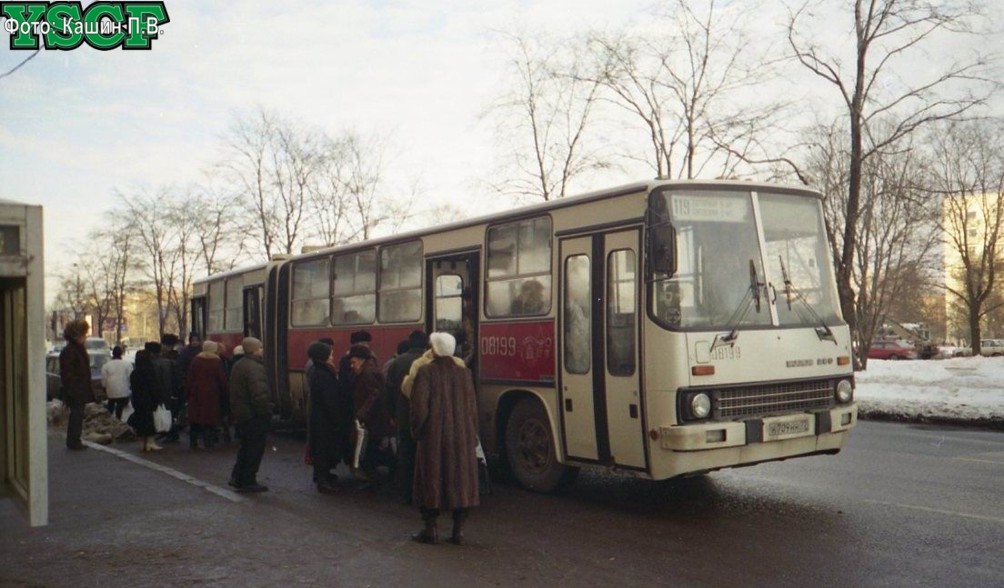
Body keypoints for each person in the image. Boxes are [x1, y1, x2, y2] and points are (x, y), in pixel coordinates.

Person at [409, 332, 479, 545]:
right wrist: (472, 434)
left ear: (434, 349)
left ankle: (430, 530)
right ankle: (458, 531)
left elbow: (419, 408)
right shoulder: (464, 374)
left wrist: (417, 431)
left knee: (431, 482)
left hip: (434, 437)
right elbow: (472, 408)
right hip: (462, 437)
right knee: (461, 482)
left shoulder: (425, 372)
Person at [385, 329, 428, 504]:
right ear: (426, 344)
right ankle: (423, 493)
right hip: (425, 418)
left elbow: (388, 391)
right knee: (424, 456)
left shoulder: (398, 362)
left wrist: (392, 414)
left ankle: (405, 494)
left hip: (403, 417)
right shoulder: (429, 363)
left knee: (406, 455)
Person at [228, 337, 272, 493]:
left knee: (245, 447)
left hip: (242, 414)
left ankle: (237, 477)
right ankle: (248, 480)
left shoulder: (239, 365)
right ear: (254, 350)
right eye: (260, 347)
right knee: (254, 449)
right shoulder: (254, 367)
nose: (262, 350)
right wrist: (265, 412)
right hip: (253, 416)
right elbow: (259, 395)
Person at [346, 344, 395, 484]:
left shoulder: (368, 374)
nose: (352, 366)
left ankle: (375, 476)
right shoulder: (368, 371)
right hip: (374, 419)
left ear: (361, 360)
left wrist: (361, 414)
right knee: (372, 448)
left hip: (372, 419)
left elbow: (374, 395)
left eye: (353, 362)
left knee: (371, 448)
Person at [307, 340, 342, 493]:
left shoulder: (318, 370)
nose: (332, 357)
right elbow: (329, 399)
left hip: (319, 416)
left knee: (322, 447)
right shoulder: (322, 374)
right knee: (323, 448)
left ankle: (323, 475)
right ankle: (322, 479)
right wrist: (336, 418)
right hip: (324, 419)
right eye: (330, 354)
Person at [185, 340, 228, 449]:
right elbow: (221, 379)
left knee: (195, 418)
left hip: (196, 393)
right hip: (212, 394)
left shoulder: (196, 360)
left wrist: (187, 392)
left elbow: (190, 377)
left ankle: (193, 441)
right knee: (210, 419)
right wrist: (224, 392)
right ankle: (209, 441)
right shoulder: (216, 361)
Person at [59, 319, 95, 450]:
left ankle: (74, 439)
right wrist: (74, 389)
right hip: (76, 390)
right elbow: (68, 374)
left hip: (78, 389)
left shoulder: (75, 349)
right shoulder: (72, 351)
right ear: (76, 334)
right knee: (76, 415)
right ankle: (74, 441)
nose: (85, 337)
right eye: (83, 334)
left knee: (78, 415)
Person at [128, 349, 162, 452]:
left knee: (140, 421)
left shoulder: (134, 373)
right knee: (149, 421)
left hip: (138, 401)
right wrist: (157, 399)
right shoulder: (150, 371)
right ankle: (150, 443)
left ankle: (142, 443)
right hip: (149, 400)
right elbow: (154, 387)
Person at [101, 345, 132, 420]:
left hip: (111, 390)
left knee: (111, 404)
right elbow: (130, 376)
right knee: (120, 406)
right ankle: (118, 419)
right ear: (121, 353)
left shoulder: (106, 366)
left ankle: (109, 419)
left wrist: (104, 387)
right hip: (123, 390)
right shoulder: (127, 364)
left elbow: (104, 379)